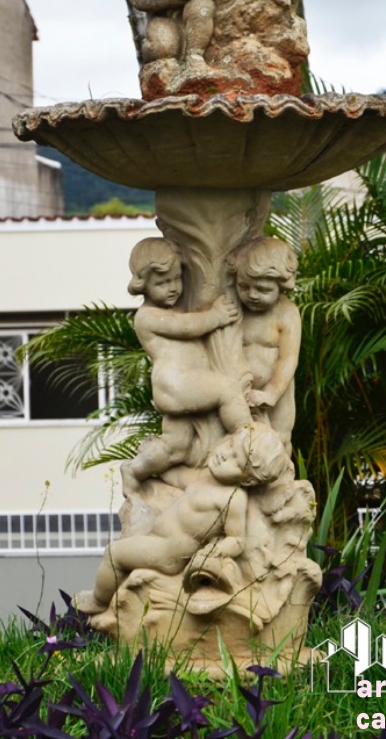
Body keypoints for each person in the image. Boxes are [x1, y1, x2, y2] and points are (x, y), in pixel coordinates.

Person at [75, 423, 290, 614]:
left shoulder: (233, 499)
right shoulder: (206, 476)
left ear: (248, 480)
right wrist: (146, 468)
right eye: (230, 446)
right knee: (143, 503)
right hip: (157, 534)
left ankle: (99, 601)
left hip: (168, 552)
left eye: (236, 460)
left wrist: (219, 550)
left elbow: (237, 538)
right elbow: (176, 477)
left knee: (114, 554)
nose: (225, 455)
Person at [122, 238, 253, 491]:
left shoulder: (178, 306)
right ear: (142, 284)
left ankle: (135, 470)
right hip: (177, 383)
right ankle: (247, 437)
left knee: (175, 447)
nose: (172, 288)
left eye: (176, 279)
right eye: (162, 283)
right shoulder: (147, 316)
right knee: (227, 389)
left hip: (183, 385)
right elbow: (186, 327)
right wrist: (216, 316)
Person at [227, 237, 301, 450]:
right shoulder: (234, 309)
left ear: (282, 284)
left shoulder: (286, 313)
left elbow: (288, 358)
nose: (252, 295)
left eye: (263, 289)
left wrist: (271, 393)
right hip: (239, 392)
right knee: (239, 443)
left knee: (280, 440)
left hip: (277, 393)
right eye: (243, 286)